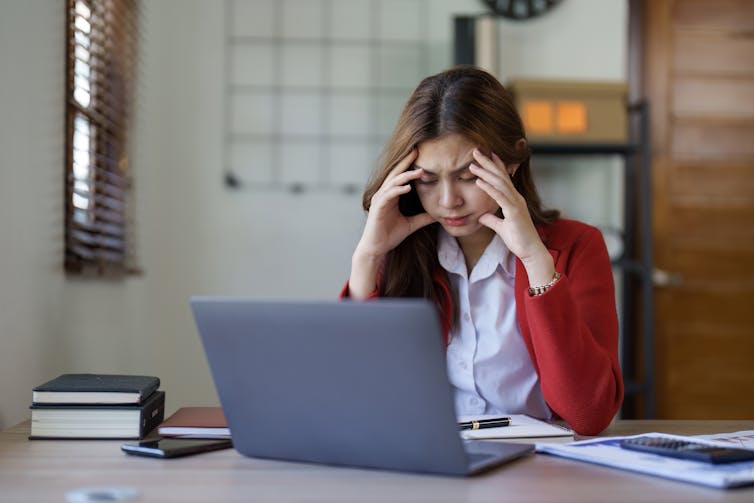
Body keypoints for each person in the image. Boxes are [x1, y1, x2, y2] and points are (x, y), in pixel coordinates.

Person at [340, 66, 623, 436]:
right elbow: (358, 401)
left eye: (468, 176)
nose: (448, 201)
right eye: (427, 179)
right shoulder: (400, 249)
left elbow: (589, 415)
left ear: (513, 161)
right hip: (428, 462)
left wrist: (537, 262)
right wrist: (367, 258)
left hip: (536, 469)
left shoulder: (576, 246)